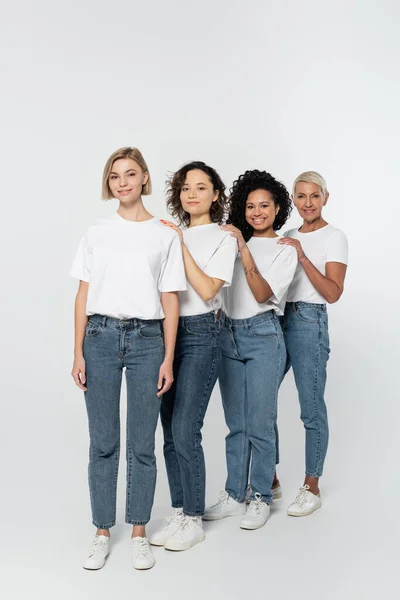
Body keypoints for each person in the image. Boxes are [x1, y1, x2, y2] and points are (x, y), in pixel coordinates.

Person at [70, 147, 186, 570]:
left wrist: (168, 358)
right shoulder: (96, 232)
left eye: (130, 173)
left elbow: (169, 298)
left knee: (142, 444)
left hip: (147, 340)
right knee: (102, 442)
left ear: (144, 179)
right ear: (109, 182)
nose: (122, 181)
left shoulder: (164, 233)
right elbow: (82, 294)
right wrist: (78, 352)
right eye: (115, 175)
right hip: (99, 338)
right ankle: (102, 531)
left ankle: (138, 530)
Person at [149, 161, 237, 551]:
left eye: (201, 187)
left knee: (186, 427)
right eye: (186, 187)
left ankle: (196, 518)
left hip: (203, 331)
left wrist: (179, 244)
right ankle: (182, 509)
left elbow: (205, 289)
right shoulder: (171, 234)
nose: (192, 194)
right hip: (166, 333)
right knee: (168, 428)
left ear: (216, 194)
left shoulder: (224, 236)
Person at [204, 170, 297, 530]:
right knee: (236, 424)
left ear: (277, 208)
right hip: (227, 333)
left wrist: (243, 246)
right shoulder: (230, 239)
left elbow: (261, 294)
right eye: (250, 206)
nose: (257, 212)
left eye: (265, 206)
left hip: (263, 335)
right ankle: (234, 494)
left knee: (260, 422)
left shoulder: (285, 249)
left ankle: (261, 494)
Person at [277, 171, 348, 517]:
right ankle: (268, 480)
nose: (307, 203)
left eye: (314, 196)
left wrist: (303, 257)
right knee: (259, 400)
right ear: (294, 199)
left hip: (309, 322)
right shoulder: (288, 234)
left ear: (325, 198)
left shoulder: (334, 237)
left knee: (311, 407)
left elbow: (333, 293)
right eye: (301, 196)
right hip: (278, 319)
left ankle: (312, 485)